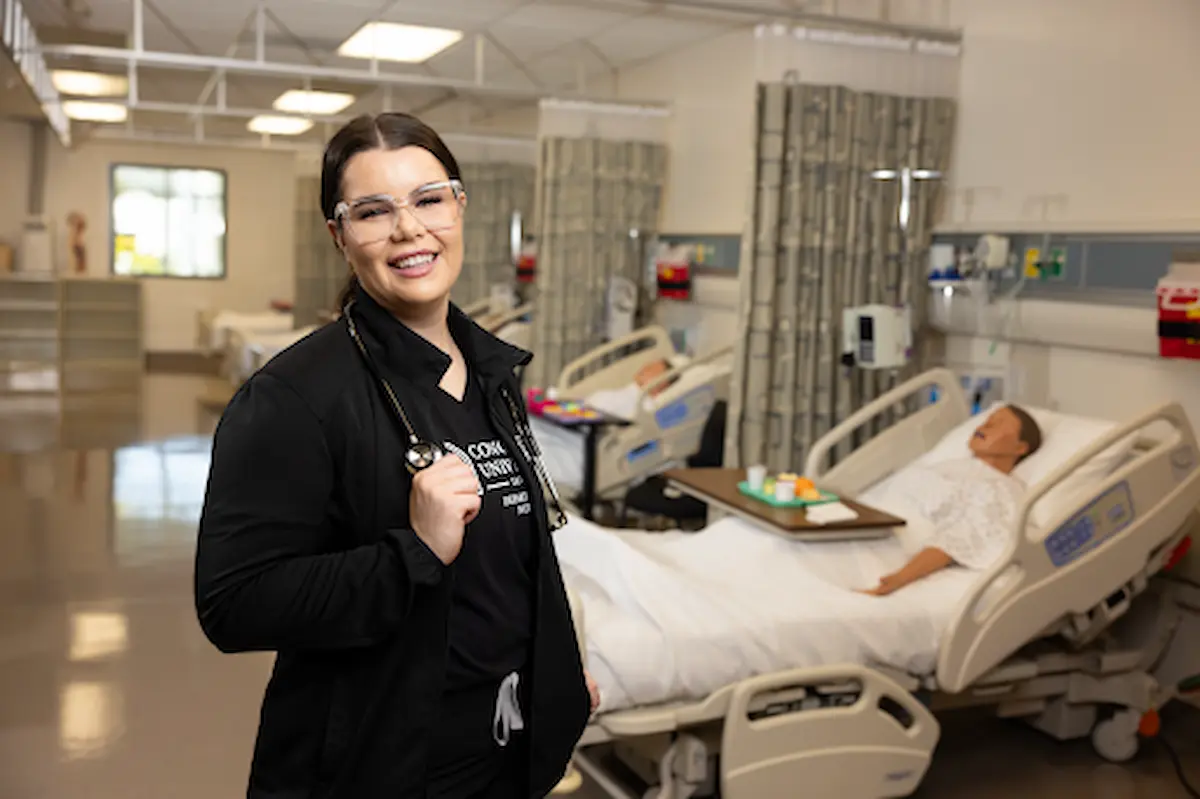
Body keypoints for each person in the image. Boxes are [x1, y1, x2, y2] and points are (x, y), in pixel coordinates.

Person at [195, 112, 598, 798]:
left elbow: (511, 557)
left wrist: (553, 661)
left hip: (505, 748)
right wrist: (412, 550)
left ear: (459, 205)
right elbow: (233, 604)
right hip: (380, 765)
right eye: (373, 211)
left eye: (428, 199)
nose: (409, 229)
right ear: (339, 235)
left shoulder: (492, 372)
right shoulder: (294, 397)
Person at [859, 404, 1044, 597]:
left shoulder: (999, 487)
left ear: (1020, 447)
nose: (985, 426)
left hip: (884, 544)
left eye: (998, 423)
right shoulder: (949, 467)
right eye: (987, 420)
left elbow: (958, 537)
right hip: (859, 525)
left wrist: (900, 578)